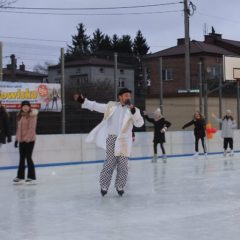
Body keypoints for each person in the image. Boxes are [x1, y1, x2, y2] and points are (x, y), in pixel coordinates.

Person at [74, 88, 144, 197]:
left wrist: (134, 113)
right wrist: (83, 101)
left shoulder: (134, 110)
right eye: (126, 95)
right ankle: (104, 185)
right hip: (112, 139)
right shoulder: (111, 107)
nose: (128, 97)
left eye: (129, 96)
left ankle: (120, 186)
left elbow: (139, 124)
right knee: (110, 163)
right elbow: (96, 106)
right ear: (120, 97)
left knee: (123, 166)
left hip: (125, 141)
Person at [13, 101, 38, 184]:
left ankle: (31, 176)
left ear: (29, 107)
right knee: (21, 158)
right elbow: (18, 129)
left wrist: (27, 139)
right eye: (24, 106)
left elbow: (32, 128)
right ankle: (20, 176)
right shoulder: (20, 116)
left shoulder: (32, 115)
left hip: (30, 140)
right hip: (22, 140)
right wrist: (17, 139)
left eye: (27, 106)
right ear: (21, 107)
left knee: (28, 157)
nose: (25, 107)